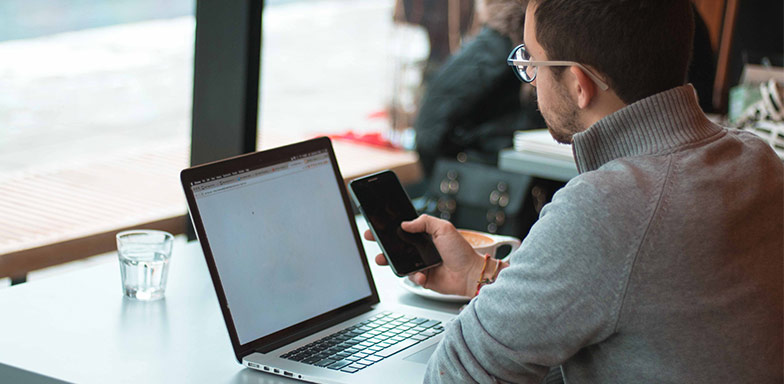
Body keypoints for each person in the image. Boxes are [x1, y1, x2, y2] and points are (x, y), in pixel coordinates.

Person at [366, 0, 784, 382]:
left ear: (580, 84)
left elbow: (455, 373)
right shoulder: (759, 161)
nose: (530, 80)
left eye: (531, 60)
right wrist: (480, 274)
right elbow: (633, 296)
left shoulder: (608, 206)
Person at [413, 0, 543, 177]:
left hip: (498, 178)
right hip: (514, 177)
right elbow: (430, 130)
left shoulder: (495, 46)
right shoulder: (507, 49)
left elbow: (428, 130)